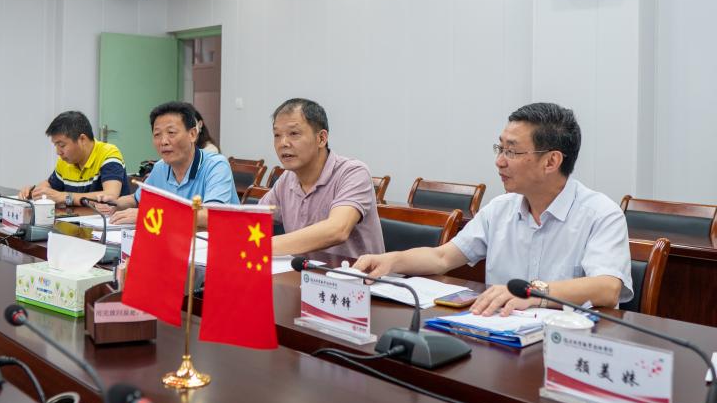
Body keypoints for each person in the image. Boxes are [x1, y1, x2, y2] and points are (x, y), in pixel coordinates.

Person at [353, 102, 632, 316]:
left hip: (567, 347)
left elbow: (608, 288)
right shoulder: (500, 209)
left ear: (551, 161)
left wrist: (534, 293)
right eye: (500, 148)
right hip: (501, 334)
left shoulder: (600, 214)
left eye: (511, 151)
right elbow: (442, 257)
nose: (499, 161)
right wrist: (391, 261)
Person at [259, 98, 384, 258]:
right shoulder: (286, 180)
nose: (283, 143)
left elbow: (337, 230)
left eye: (294, 133)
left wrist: (262, 245)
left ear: (321, 138)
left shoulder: (353, 172)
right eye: (277, 135)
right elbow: (252, 220)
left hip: (355, 273)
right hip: (302, 273)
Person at [105, 101, 238, 224]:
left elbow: (211, 215)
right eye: (157, 134)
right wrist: (115, 203)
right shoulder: (160, 167)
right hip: (178, 238)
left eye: (171, 132)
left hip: (218, 240)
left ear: (192, 134)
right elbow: (137, 199)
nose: (164, 141)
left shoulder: (216, 165)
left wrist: (150, 214)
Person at [19, 111, 131, 208]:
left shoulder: (108, 153)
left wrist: (64, 197)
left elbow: (110, 195)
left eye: (62, 145)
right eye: (56, 145)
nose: (58, 152)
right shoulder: (65, 161)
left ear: (82, 139)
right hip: (77, 220)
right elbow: (49, 185)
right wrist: (35, 191)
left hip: (108, 222)